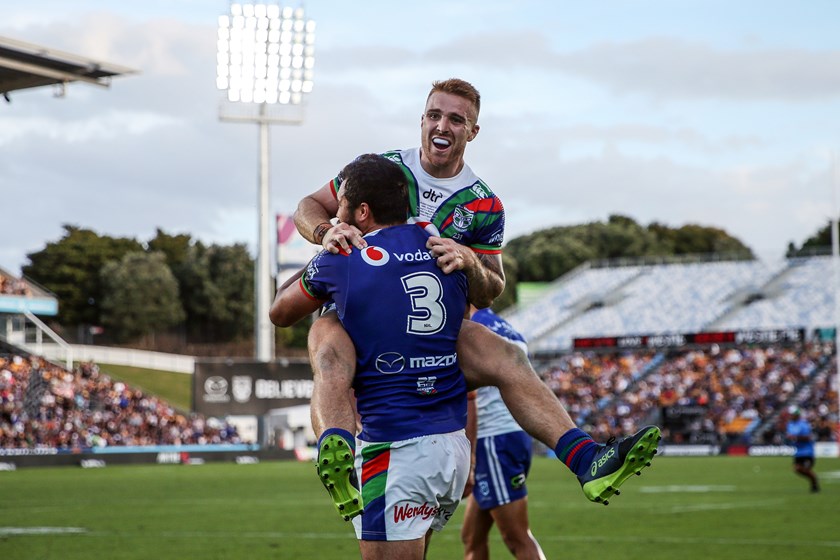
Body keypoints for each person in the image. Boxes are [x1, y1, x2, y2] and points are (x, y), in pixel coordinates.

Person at [292, 78, 660, 516]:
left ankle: (587, 460)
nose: (441, 125)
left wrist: (469, 260)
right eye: (433, 115)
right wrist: (326, 230)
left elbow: (491, 290)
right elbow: (308, 206)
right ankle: (342, 460)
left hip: (430, 335)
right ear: (422, 119)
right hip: (360, 320)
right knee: (327, 349)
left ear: (473, 131)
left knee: (508, 355)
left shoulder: (485, 205)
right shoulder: (384, 169)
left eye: (455, 119)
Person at [271, 153, 471, 559]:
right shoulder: (440, 245)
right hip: (451, 443)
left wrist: (324, 248)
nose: (336, 212)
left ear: (362, 211)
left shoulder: (345, 257)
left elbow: (280, 311)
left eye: (342, 204)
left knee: (324, 337)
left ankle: (334, 436)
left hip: (394, 447)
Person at [461, 306, 545, 560]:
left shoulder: (473, 329)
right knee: (472, 536)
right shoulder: (508, 329)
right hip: (513, 433)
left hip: (492, 440)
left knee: (517, 538)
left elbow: (467, 390)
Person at [785, 407, 820, 493]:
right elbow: (790, 435)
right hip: (798, 452)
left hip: (807, 452)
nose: (791, 416)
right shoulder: (790, 424)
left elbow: (808, 437)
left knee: (804, 469)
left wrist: (795, 437)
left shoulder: (803, 424)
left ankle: (814, 482)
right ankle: (814, 481)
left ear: (797, 415)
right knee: (797, 469)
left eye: (792, 414)